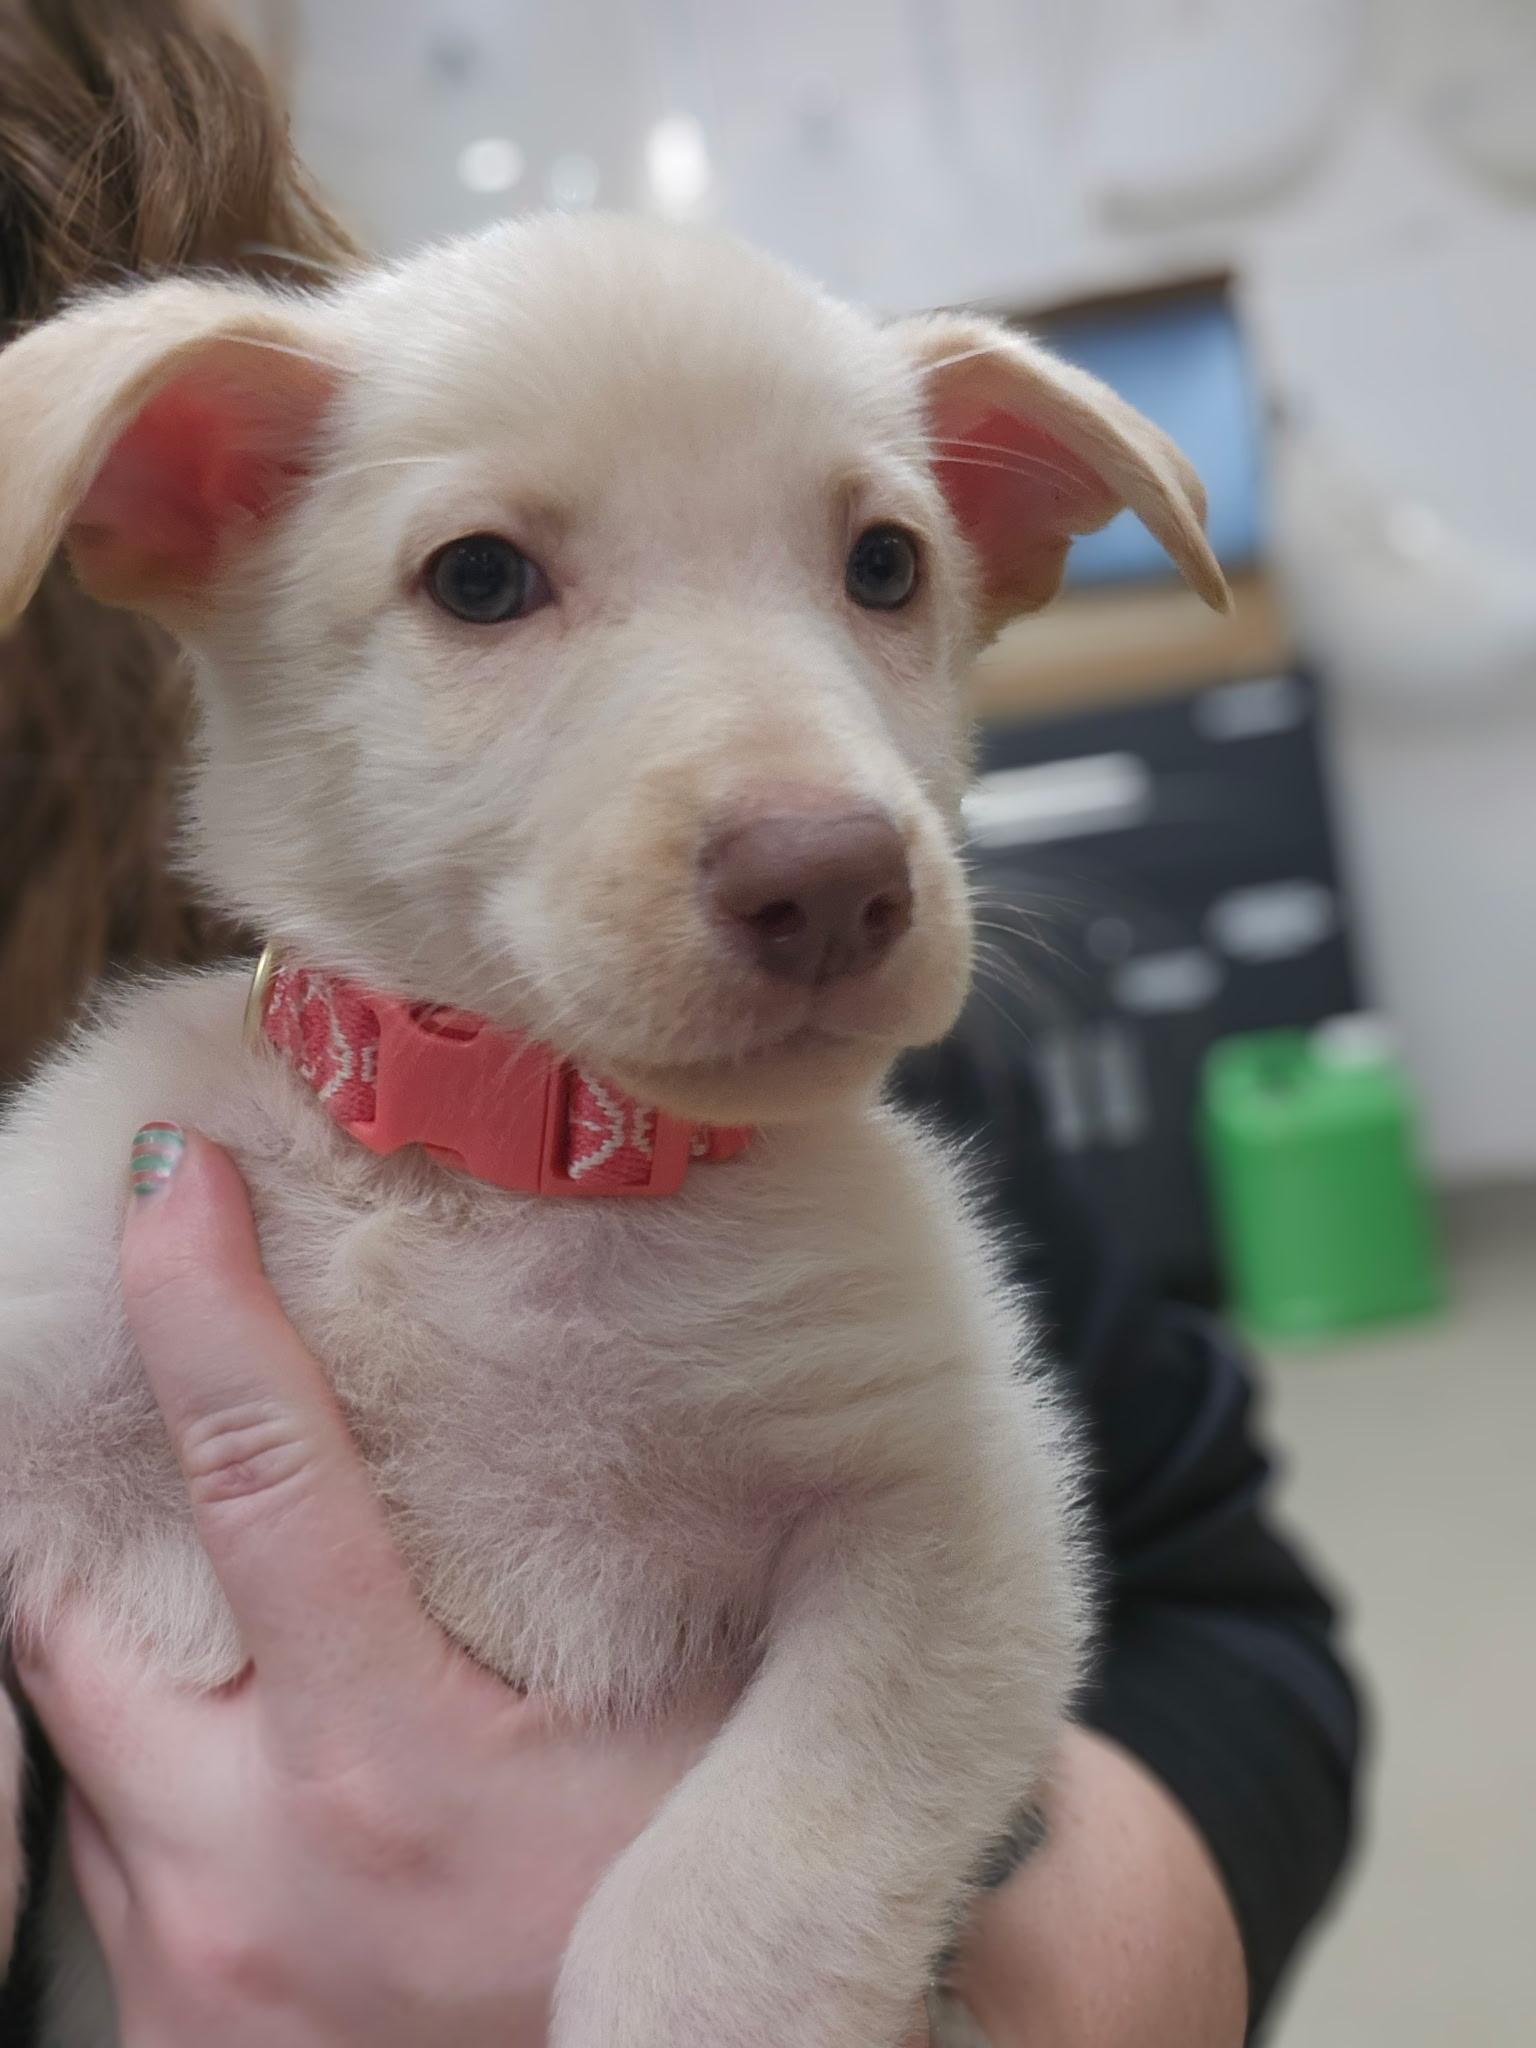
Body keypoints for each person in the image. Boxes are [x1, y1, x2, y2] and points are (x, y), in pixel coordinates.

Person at [0, 4, 1362, 2040]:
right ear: (184, 502)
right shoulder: (108, 1145)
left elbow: (1075, 1588)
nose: (812, 805)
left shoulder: (833, 1147)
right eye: (486, 580)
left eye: (880, 562)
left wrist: (773, 1968)